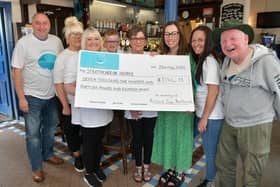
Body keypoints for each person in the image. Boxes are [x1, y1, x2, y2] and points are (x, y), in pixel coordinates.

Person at [212, 19, 280, 187]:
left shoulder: (266, 61)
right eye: (223, 40)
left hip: (255, 125)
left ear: (245, 39)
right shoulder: (228, 60)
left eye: (233, 38)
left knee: (252, 173)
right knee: (224, 165)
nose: (228, 44)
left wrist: (275, 117)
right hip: (230, 123)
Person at [11, 12, 64, 182]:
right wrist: (21, 97)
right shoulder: (23, 44)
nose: (42, 27)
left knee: (50, 129)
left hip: (52, 96)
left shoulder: (56, 41)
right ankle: (36, 167)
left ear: (49, 24)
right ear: (32, 25)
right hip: (31, 97)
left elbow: (63, 63)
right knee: (33, 135)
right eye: (38, 23)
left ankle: (48, 154)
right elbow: (16, 71)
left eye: (45, 23)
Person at [64, 27, 113, 187]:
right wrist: (86, 91)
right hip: (87, 111)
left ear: (101, 42)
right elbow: (67, 86)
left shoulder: (106, 57)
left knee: (99, 141)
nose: (93, 42)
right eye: (89, 39)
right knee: (90, 143)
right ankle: (89, 172)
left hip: (103, 111)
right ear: (84, 42)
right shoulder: (76, 59)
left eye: (96, 39)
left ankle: (97, 167)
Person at [151, 21, 196, 187]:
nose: (170, 37)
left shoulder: (189, 57)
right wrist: (151, 61)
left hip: (183, 107)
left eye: (174, 33)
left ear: (180, 35)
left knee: (182, 137)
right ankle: (170, 167)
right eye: (167, 34)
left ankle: (180, 170)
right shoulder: (160, 56)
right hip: (165, 107)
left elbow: (195, 83)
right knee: (168, 136)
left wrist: (193, 102)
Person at [189, 25, 224, 187]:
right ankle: (186, 167)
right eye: (194, 40)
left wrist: (204, 118)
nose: (196, 43)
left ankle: (210, 181)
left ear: (208, 41)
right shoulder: (202, 59)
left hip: (212, 116)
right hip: (203, 113)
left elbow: (213, 92)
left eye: (200, 40)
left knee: (210, 152)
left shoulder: (209, 60)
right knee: (189, 138)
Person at [124, 24, 157, 183]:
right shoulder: (123, 58)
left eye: (141, 38)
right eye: (135, 38)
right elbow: (121, 85)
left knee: (148, 137)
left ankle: (146, 166)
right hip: (132, 109)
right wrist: (131, 107)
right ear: (129, 40)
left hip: (150, 107)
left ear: (146, 41)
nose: (138, 41)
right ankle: (138, 167)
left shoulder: (152, 57)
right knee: (137, 139)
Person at [53, 16, 84, 172]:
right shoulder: (62, 57)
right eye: (73, 35)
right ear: (67, 38)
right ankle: (77, 156)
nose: (77, 37)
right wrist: (65, 105)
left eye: (79, 34)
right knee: (71, 131)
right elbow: (58, 83)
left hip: (84, 101)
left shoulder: (87, 53)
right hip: (68, 101)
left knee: (83, 129)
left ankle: (85, 152)